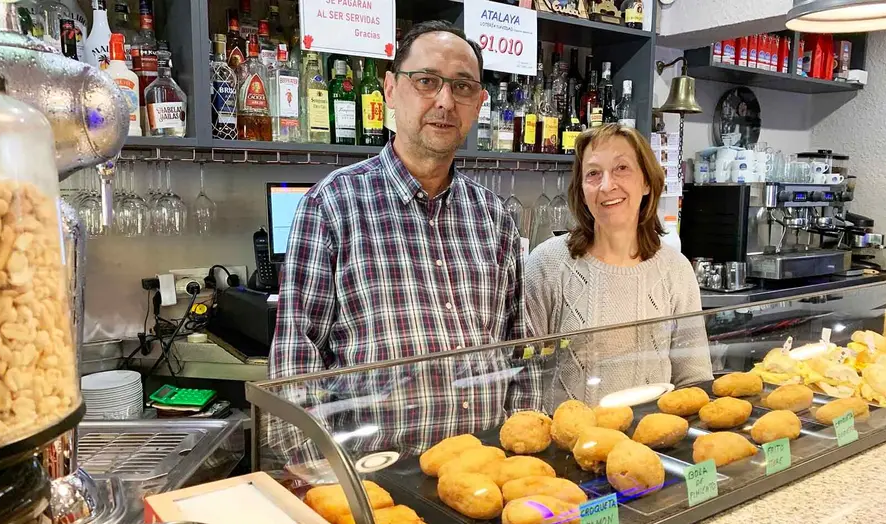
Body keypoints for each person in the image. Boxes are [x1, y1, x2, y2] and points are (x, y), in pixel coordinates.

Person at [264, 21, 539, 462]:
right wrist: (323, 478)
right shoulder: (332, 206)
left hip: (485, 471)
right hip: (378, 480)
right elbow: (296, 363)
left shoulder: (494, 217)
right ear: (390, 90)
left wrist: (522, 457)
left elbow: (518, 350)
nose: (445, 101)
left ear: (479, 103)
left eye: (463, 87)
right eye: (427, 81)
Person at [525, 123, 712, 408]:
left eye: (622, 168)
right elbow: (524, 377)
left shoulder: (675, 270)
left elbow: (694, 379)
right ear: (582, 189)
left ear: (647, 182)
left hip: (651, 444)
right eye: (593, 173)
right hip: (568, 445)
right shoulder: (547, 264)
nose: (606, 185)